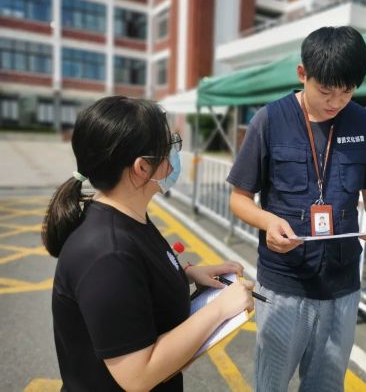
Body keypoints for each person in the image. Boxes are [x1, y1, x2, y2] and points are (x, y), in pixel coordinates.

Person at [41, 96, 254, 392]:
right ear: (142, 167)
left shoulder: (127, 216)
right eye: (170, 146)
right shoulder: (108, 254)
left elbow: (137, 279)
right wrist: (218, 311)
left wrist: (186, 274)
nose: (174, 153)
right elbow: (137, 377)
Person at [227, 26, 366, 391]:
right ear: (302, 74)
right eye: (325, 91)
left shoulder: (364, 122)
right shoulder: (269, 120)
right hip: (285, 283)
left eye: (348, 91)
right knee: (271, 384)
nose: (336, 101)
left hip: (342, 286)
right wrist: (269, 221)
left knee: (326, 385)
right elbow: (239, 198)